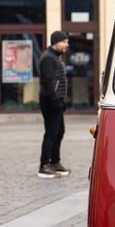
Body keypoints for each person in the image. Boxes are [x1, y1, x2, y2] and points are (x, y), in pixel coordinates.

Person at [38, 31, 70, 179]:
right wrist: (55, 100)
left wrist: (61, 100)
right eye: (64, 42)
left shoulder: (55, 57)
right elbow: (48, 82)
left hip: (56, 100)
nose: (66, 45)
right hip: (49, 100)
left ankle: (55, 162)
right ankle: (44, 165)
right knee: (51, 133)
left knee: (59, 131)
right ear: (55, 43)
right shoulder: (48, 58)